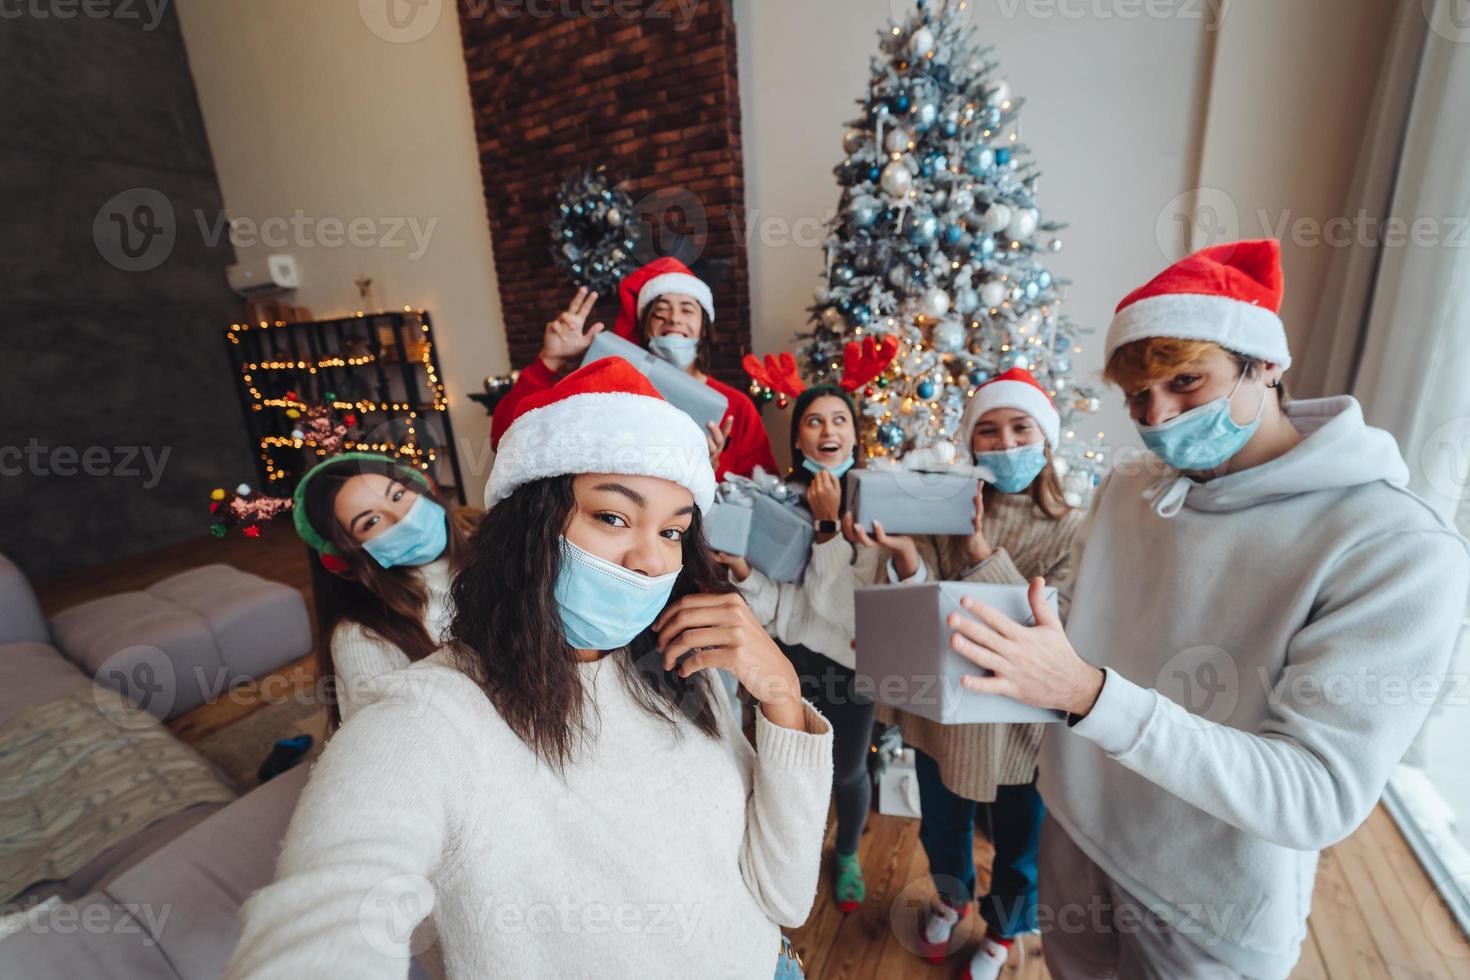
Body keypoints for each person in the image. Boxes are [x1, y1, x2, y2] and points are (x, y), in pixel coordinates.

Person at [940, 240, 1470, 978]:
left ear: (1268, 367)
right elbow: (1085, 619)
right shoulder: (1131, 488)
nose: (1158, 417)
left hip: (1208, 909)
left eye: (1187, 381)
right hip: (1075, 837)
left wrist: (1087, 696)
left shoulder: (1396, 546)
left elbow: (1315, 794)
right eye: (1137, 397)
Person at [223, 358, 831, 979]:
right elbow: (328, 908)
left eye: (673, 531)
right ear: (531, 523)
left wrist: (780, 694)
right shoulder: (432, 717)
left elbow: (783, 896)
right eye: (614, 517)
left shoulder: (680, 666)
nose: (651, 559)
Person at [862, 369, 1082, 979]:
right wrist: (903, 551)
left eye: (1020, 428)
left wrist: (983, 552)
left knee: (1021, 842)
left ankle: (1004, 931)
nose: (1006, 443)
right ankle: (950, 897)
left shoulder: (1070, 528)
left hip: (1022, 722)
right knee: (943, 823)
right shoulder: (944, 511)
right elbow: (917, 597)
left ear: (1046, 438)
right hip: (947, 708)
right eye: (988, 431)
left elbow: (1048, 628)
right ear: (970, 443)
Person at [717, 384, 915, 914]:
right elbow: (781, 607)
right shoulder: (775, 499)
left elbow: (850, 612)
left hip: (850, 672)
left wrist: (829, 528)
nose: (828, 431)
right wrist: (742, 574)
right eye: (813, 421)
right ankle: (784, 861)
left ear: (855, 432)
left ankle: (846, 851)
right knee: (778, 769)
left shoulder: (880, 508)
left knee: (847, 772)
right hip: (784, 664)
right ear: (797, 435)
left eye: (839, 420)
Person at [490, 257, 778, 480]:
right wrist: (548, 362)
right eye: (660, 311)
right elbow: (505, 439)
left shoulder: (736, 409)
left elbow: (762, 498)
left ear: (704, 328)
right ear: (644, 327)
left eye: (688, 309)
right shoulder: (611, 390)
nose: (674, 318)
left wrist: (707, 471)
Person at [292, 452, 472, 726]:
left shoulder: (492, 560)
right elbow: (390, 744)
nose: (403, 519)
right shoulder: (361, 638)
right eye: (371, 522)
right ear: (342, 559)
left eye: (398, 496)